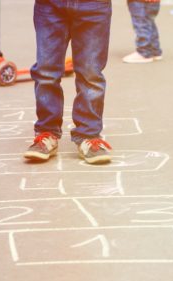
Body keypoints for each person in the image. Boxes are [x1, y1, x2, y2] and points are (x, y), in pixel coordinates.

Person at [24, 0, 113, 164]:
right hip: (49, 5)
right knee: (46, 71)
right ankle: (47, 132)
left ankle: (89, 134)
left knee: (91, 73)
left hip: (95, 5)